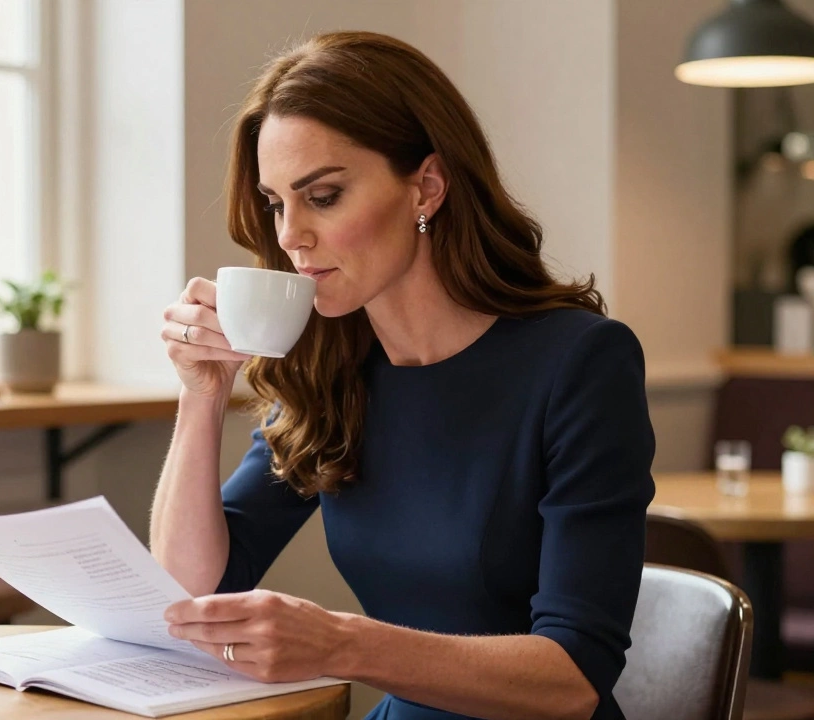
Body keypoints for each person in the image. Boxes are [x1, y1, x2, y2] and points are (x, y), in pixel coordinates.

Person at [150, 31, 654, 720]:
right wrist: (200, 394)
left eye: (322, 195)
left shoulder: (581, 364)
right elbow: (188, 590)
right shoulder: (330, 372)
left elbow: (572, 678)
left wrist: (341, 644)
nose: (290, 233)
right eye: (275, 203)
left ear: (427, 186)